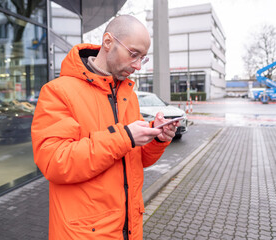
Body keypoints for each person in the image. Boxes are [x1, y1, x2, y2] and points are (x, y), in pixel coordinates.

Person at [31, 14, 179, 240]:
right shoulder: (57, 92)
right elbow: (54, 163)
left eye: (143, 58)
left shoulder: (128, 95)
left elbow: (137, 160)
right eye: (133, 54)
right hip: (83, 234)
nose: (138, 65)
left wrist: (157, 138)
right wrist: (125, 137)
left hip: (129, 229)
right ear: (108, 42)